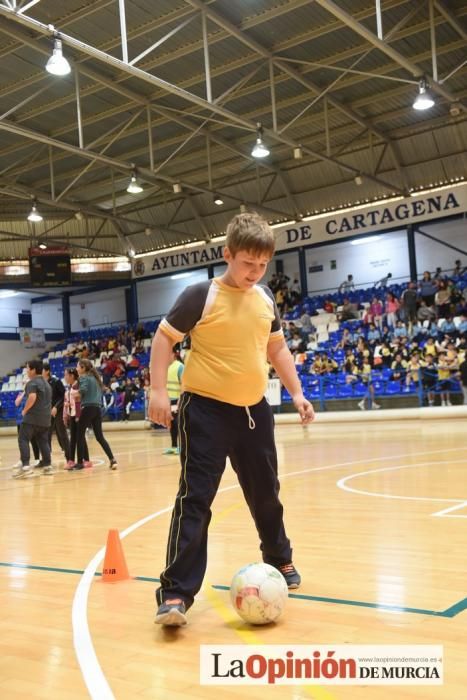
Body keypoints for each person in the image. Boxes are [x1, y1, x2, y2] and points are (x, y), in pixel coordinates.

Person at [149, 212, 315, 627]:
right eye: (247, 264)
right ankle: (175, 593)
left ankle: (279, 559)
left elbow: (277, 350)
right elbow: (163, 338)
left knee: (266, 493)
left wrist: (297, 394)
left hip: (254, 411)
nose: (254, 273)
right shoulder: (199, 295)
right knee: (195, 499)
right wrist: (156, 391)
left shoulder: (265, 300)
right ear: (228, 254)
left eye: (262, 265)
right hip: (203, 410)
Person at [74, 359, 117, 470]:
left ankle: (79, 463)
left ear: (83, 368)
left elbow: (82, 390)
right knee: (99, 437)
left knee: (79, 435)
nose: (76, 368)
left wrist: (75, 394)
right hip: (97, 409)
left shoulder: (83, 377)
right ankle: (112, 460)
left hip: (88, 408)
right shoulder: (95, 379)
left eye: (78, 366)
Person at [13, 360, 53, 478]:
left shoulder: (32, 383)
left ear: (34, 370)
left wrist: (25, 410)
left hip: (32, 418)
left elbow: (32, 397)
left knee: (23, 439)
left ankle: (25, 467)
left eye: (28, 369)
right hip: (45, 419)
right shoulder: (47, 384)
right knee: (43, 442)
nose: (26, 371)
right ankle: (47, 466)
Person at [42, 362, 71, 465]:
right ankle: (46, 460)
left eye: (42, 370)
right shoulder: (41, 383)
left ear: (47, 371)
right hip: (47, 412)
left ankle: (69, 459)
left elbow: (64, 396)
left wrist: (56, 407)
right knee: (45, 435)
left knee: (62, 434)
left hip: (58, 411)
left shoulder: (56, 381)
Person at [63, 366, 90, 469]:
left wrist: (78, 415)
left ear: (72, 376)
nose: (65, 377)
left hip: (79, 415)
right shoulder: (70, 387)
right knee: (74, 438)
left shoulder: (78, 386)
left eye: (66, 375)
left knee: (79, 438)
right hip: (73, 415)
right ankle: (71, 460)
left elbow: (79, 402)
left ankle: (85, 460)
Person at [164, 347, 184, 455]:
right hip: (169, 402)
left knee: (178, 424)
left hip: (177, 401)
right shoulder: (166, 367)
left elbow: (184, 384)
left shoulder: (180, 367)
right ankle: (174, 446)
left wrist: (180, 400)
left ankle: (182, 446)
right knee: (171, 424)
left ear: (174, 354)